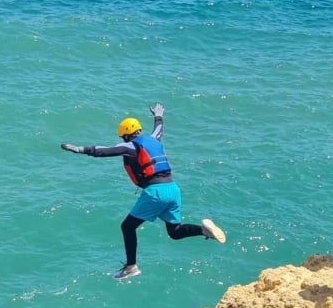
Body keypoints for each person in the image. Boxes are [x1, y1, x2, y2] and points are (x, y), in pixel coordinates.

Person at [60, 103, 225, 280]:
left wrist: (81, 150)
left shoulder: (131, 146)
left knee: (127, 226)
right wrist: (158, 116)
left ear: (127, 135)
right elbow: (159, 128)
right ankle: (204, 231)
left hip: (156, 192)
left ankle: (131, 267)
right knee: (175, 232)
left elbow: (106, 151)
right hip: (173, 189)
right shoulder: (154, 139)